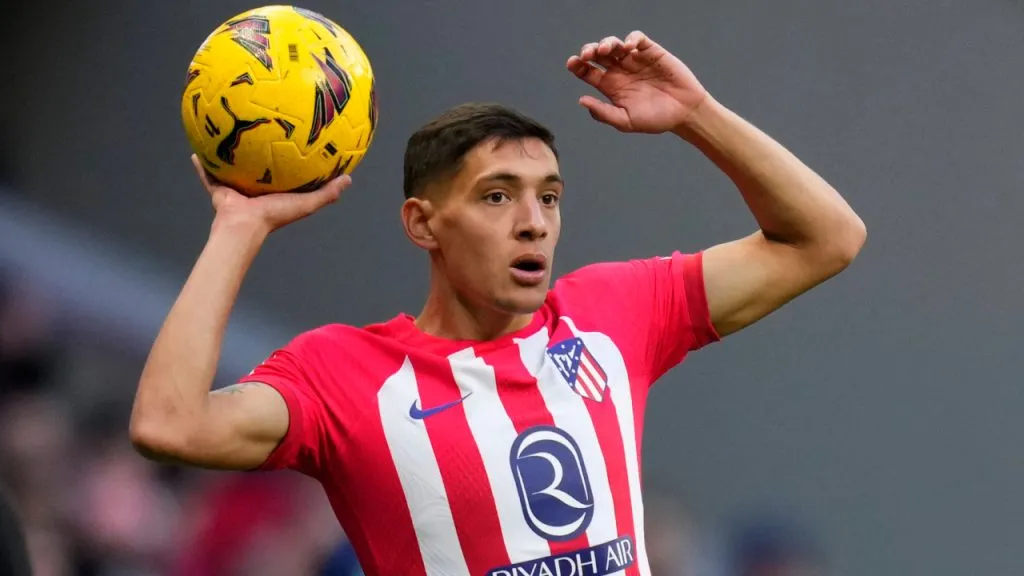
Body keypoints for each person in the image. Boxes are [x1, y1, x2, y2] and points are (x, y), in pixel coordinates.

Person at [129, 31, 865, 575]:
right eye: (496, 197)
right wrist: (239, 225)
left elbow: (827, 237)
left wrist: (696, 113)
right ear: (423, 224)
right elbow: (168, 424)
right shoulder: (345, 375)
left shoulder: (613, 311)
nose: (534, 221)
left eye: (549, 196)